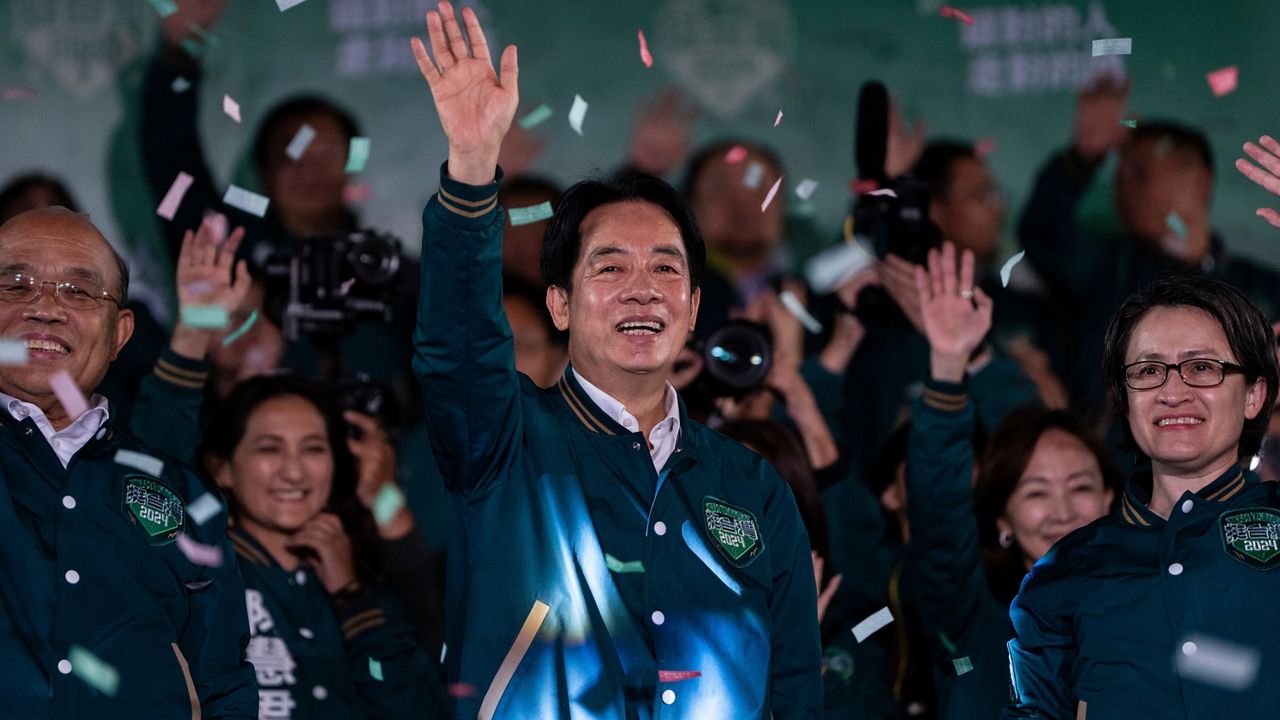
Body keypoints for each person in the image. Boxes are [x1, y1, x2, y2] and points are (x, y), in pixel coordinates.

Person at [410, 2, 821, 716]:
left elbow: (793, 694)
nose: (642, 289)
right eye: (609, 268)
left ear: (694, 308)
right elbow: (457, 343)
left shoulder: (751, 486)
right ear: (560, 305)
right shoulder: (503, 443)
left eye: (666, 269)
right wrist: (473, 167)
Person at [0, 207, 256, 717]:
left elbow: (224, 686)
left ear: (119, 334)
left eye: (78, 291)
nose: (46, 308)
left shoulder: (182, 493)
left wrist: (198, 328)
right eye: (17, 283)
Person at [1003, 274, 1280, 717]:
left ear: (1254, 395)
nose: (1173, 392)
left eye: (1203, 367)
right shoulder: (1066, 571)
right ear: (1125, 400)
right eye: (1149, 371)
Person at [1019, 78, 1280, 415]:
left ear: (1199, 181)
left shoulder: (1262, 291)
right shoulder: (1106, 269)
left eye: (1139, 173)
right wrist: (1081, 159)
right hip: (1125, 464)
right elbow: (1044, 234)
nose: (1123, 187)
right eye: (1119, 175)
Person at [201, 374, 442, 719]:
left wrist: (350, 596)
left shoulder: (359, 583)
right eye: (270, 448)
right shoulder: (202, 579)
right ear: (222, 469)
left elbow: (418, 706)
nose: (294, 472)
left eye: (313, 448)